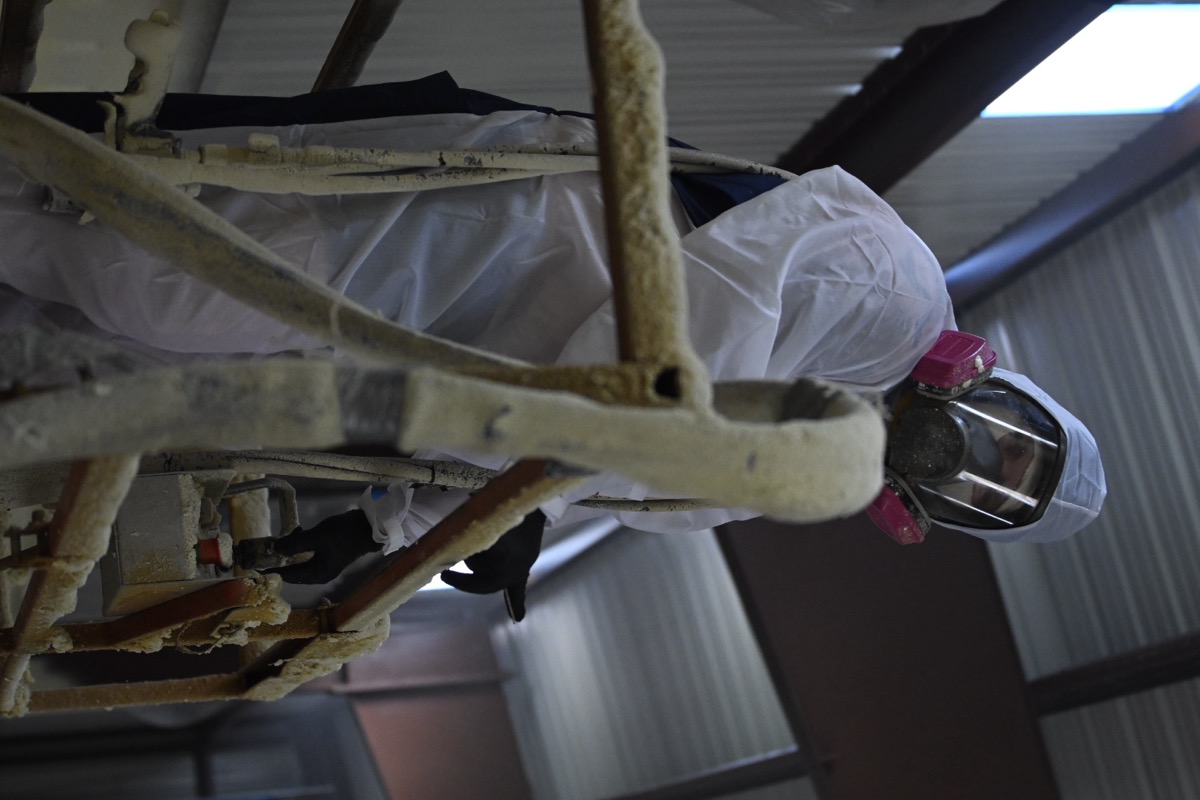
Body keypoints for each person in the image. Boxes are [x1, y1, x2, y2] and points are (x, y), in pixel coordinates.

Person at [0, 74, 1105, 615]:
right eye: (1008, 447)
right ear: (1001, 386)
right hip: (509, 234)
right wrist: (530, 485)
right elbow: (667, 362)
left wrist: (392, 530)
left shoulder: (798, 472)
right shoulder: (892, 289)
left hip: (461, 357)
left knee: (163, 359)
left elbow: (575, 473)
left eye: (985, 492)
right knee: (162, 288)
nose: (966, 462)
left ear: (937, 519)